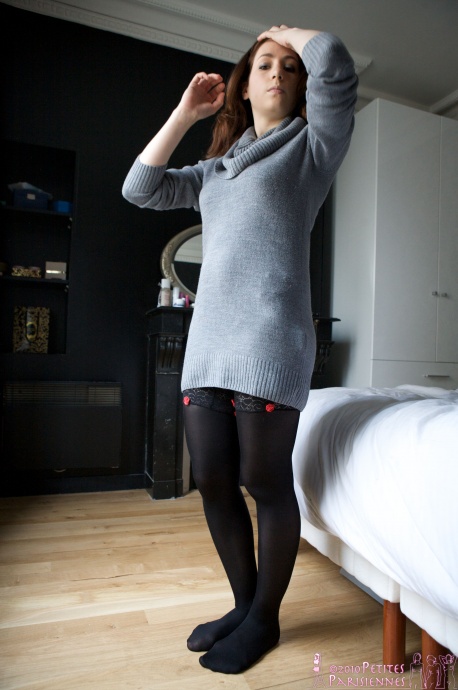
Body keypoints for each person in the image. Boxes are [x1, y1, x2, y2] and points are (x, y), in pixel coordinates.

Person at [123, 24, 357, 674]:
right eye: (264, 64)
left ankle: (265, 619)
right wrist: (184, 115)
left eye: (289, 66)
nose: (277, 72)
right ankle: (244, 605)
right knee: (214, 481)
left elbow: (337, 66)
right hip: (208, 349)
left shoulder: (313, 149)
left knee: (265, 483)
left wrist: (284, 33)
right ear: (244, 87)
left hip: (271, 346)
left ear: (300, 86)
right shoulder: (214, 171)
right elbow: (139, 188)